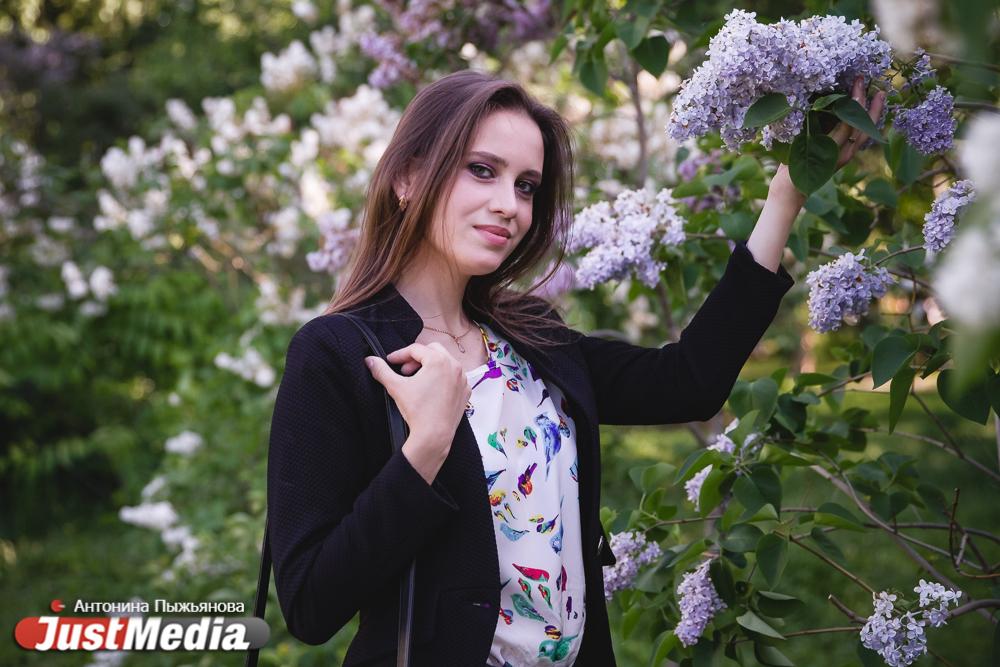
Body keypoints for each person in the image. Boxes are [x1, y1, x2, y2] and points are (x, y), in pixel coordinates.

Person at [266, 70, 886, 666]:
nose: (509, 205)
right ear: (407, 176)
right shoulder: (339, 353)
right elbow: (311, 604)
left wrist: (787, 195)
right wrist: (424, 449)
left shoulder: (531, 338)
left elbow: (689, 382)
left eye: (526, 186)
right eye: (482, 170)